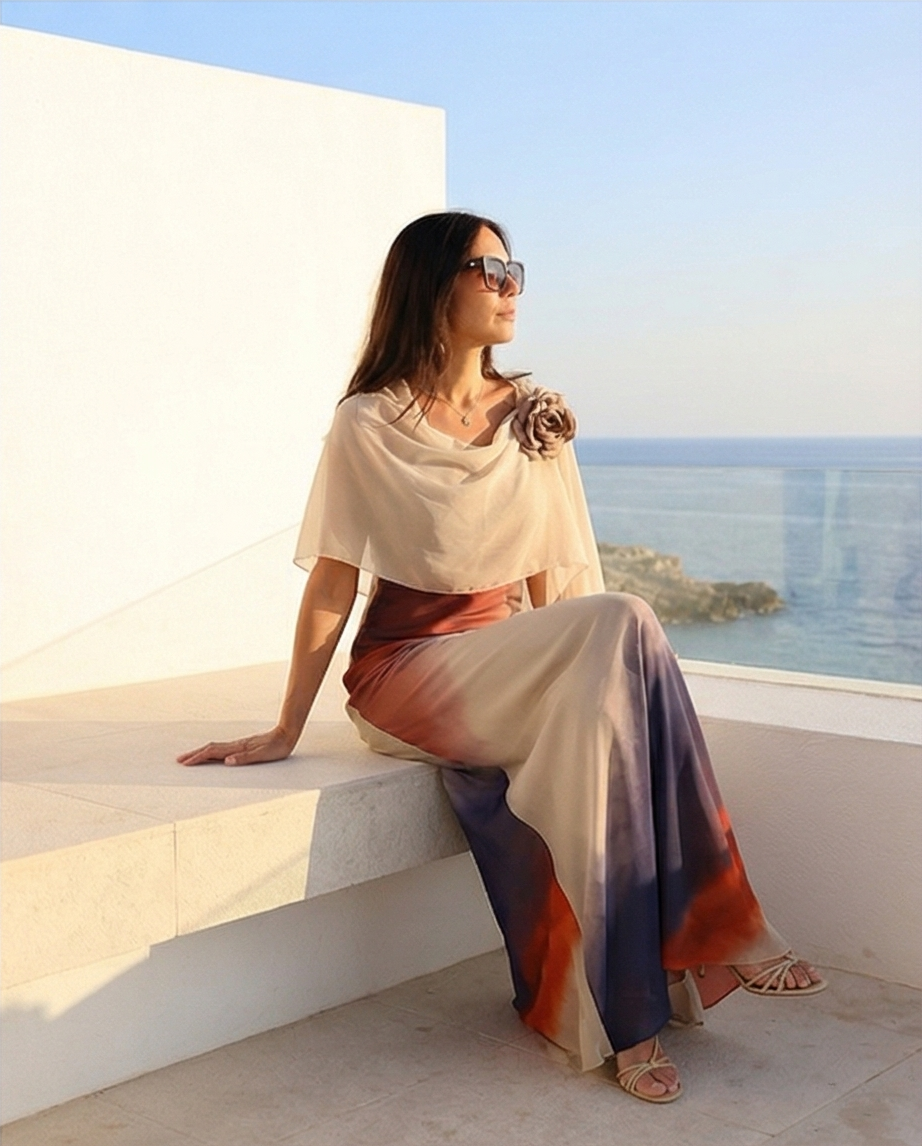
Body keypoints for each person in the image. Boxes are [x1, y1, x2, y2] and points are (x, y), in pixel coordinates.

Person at [178, 211, 826, 1104]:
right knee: (628, 616)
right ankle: (725, 928)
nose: (510, 286)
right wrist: (288, 725)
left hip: (509, 656)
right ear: (432, 285)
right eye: (489, 271)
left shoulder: (531, 415)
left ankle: (629, 1016)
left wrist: (585, 694)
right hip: (407, 668)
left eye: (513, 270)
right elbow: (333, 578)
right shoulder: (369, 422)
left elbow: (558, 573)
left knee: (612, 681)